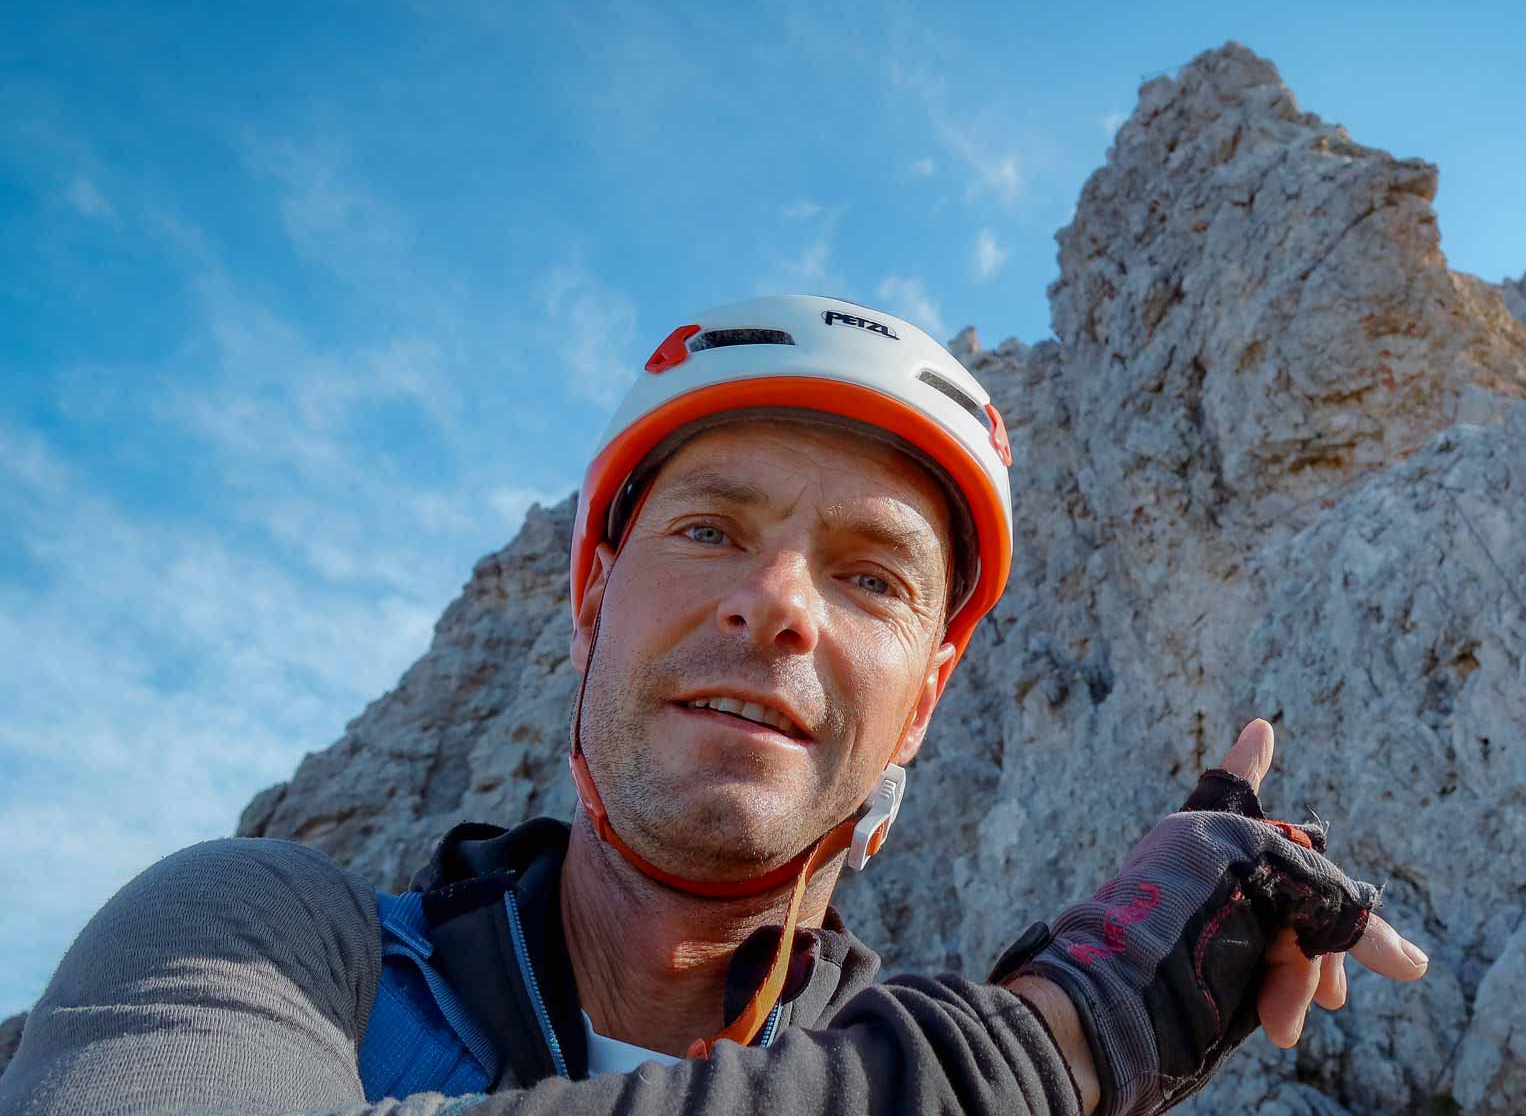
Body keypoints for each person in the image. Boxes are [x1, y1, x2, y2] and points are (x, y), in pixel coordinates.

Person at [0, 294, 1427, 1116]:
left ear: (925, 704)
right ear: (588, 608)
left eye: (872, 580)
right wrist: (1051, 1042)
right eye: (708, 531)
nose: (780, 603)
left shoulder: (909, 1063)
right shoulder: (264, 944)